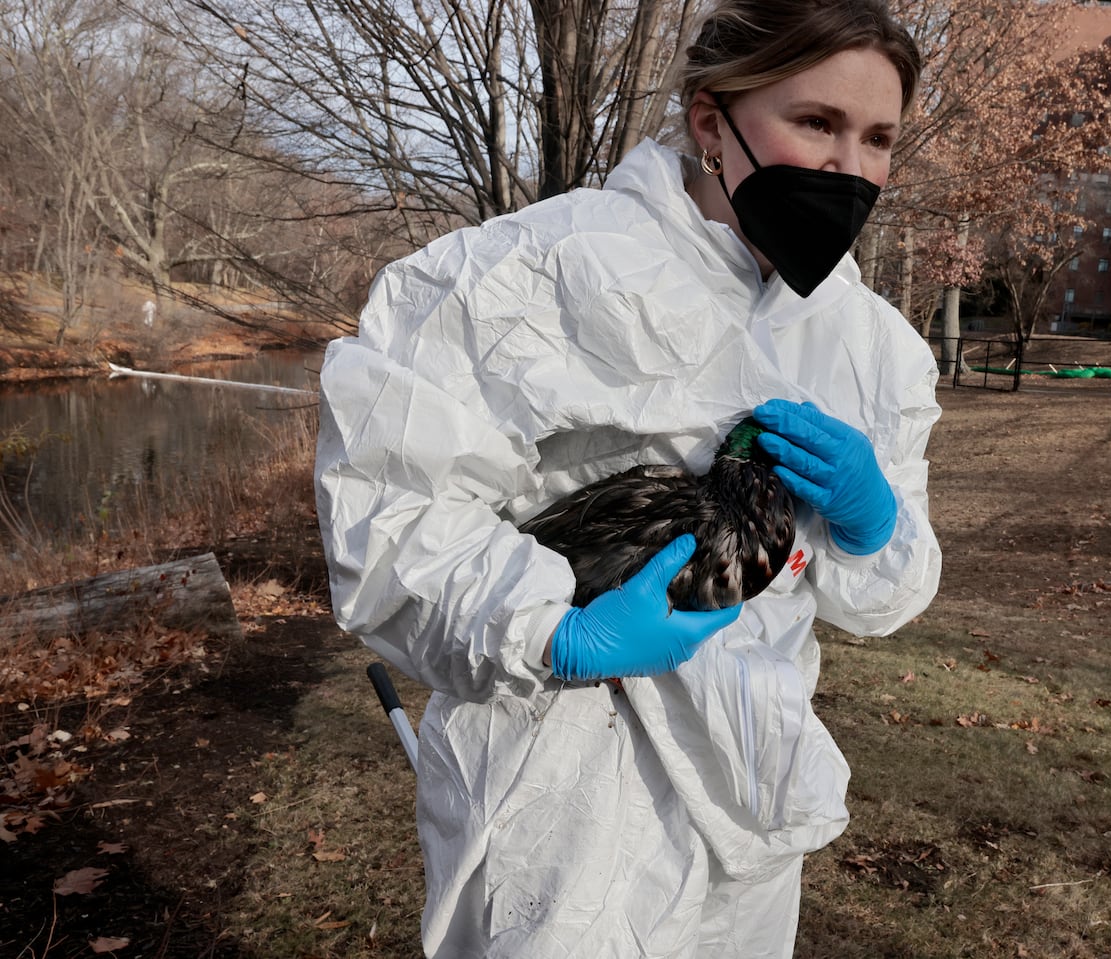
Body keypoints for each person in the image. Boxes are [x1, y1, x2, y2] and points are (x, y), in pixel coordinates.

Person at [314, 1, 942, 955]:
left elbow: (881, 597)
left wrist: (871, 524)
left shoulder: (870, 348)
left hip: (754, 800)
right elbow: (390, 510)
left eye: (878, 138)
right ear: (709, 121)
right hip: (558, 797)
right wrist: (552, 632)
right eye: (816, 122)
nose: (847, 167)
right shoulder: (523, 278)